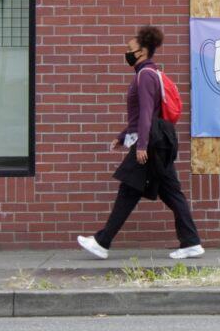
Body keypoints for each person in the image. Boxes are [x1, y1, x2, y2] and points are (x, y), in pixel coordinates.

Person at [78, 26, 204, 260]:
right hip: (159, 139)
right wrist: (123, 135)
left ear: (143, 52)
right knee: (170, 192)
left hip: (152, 143)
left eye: (130, 49)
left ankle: (102, 242)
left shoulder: (145, 75)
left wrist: (142, 145)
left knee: (129, 191)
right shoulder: (149, 73)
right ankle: (191, 242)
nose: (127, 53)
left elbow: (147, 113)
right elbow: (143, 115)